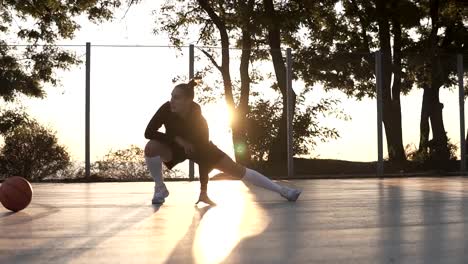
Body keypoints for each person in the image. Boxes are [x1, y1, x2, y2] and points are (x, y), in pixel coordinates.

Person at [144, 78, 301, 205]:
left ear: (188, 101)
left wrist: (203, 191)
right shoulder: (166, 108)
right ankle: (160, 188)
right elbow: (148, 132)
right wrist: (178, 139)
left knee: (238, 170)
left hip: (201, 148)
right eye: (171, 96)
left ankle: (283, 191)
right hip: (174, 147)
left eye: (176, 98)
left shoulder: (199, 122)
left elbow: (203, 157)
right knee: (151, 147)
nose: (171, 101)